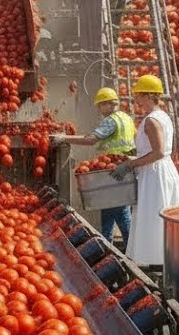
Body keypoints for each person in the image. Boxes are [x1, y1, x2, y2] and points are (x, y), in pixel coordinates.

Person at [111, 75, 179, 266]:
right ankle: (163, 259)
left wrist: (130, 164)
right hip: (161, 170)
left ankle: (155, 261)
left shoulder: (152, 120)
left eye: (139, 96)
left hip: (155, 174)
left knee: (153, 217)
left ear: (149, 95)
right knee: (159, 216)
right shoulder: (163, 116)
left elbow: (158, 152)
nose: (137, 100)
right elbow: (161, 151)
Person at [52, 87, 136, 246]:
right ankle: (106, 243)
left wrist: (64, 138)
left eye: (100, 106)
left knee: (119, 209)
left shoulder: (111, 120)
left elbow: (91, 139)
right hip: (124, 165)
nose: (99, 109)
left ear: (106, 104)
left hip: (115, 167)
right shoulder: (126, 117)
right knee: (111, 206)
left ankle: (130, 248)